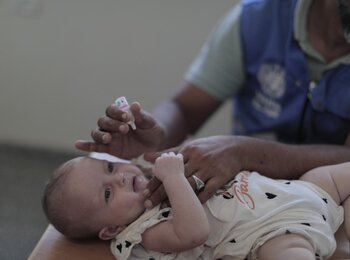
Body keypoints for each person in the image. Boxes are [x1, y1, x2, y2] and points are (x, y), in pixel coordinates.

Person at [74, 0, 350, 254]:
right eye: (108, 187)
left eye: (111, 169)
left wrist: (246, 153)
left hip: (323, 186)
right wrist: (157, 138)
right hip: (268, 225)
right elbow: (184, 108)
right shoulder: (257, 18)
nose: (119, 177)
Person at [42, 152, 348, 260]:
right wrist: (174, 177)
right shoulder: (144, 232)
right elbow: (195, 231)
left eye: (110, 168)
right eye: (107, 194)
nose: (121, 179)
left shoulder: (150, 175)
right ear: (110, 230)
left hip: (302, 188)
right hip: (274, 232)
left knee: (333, 177)